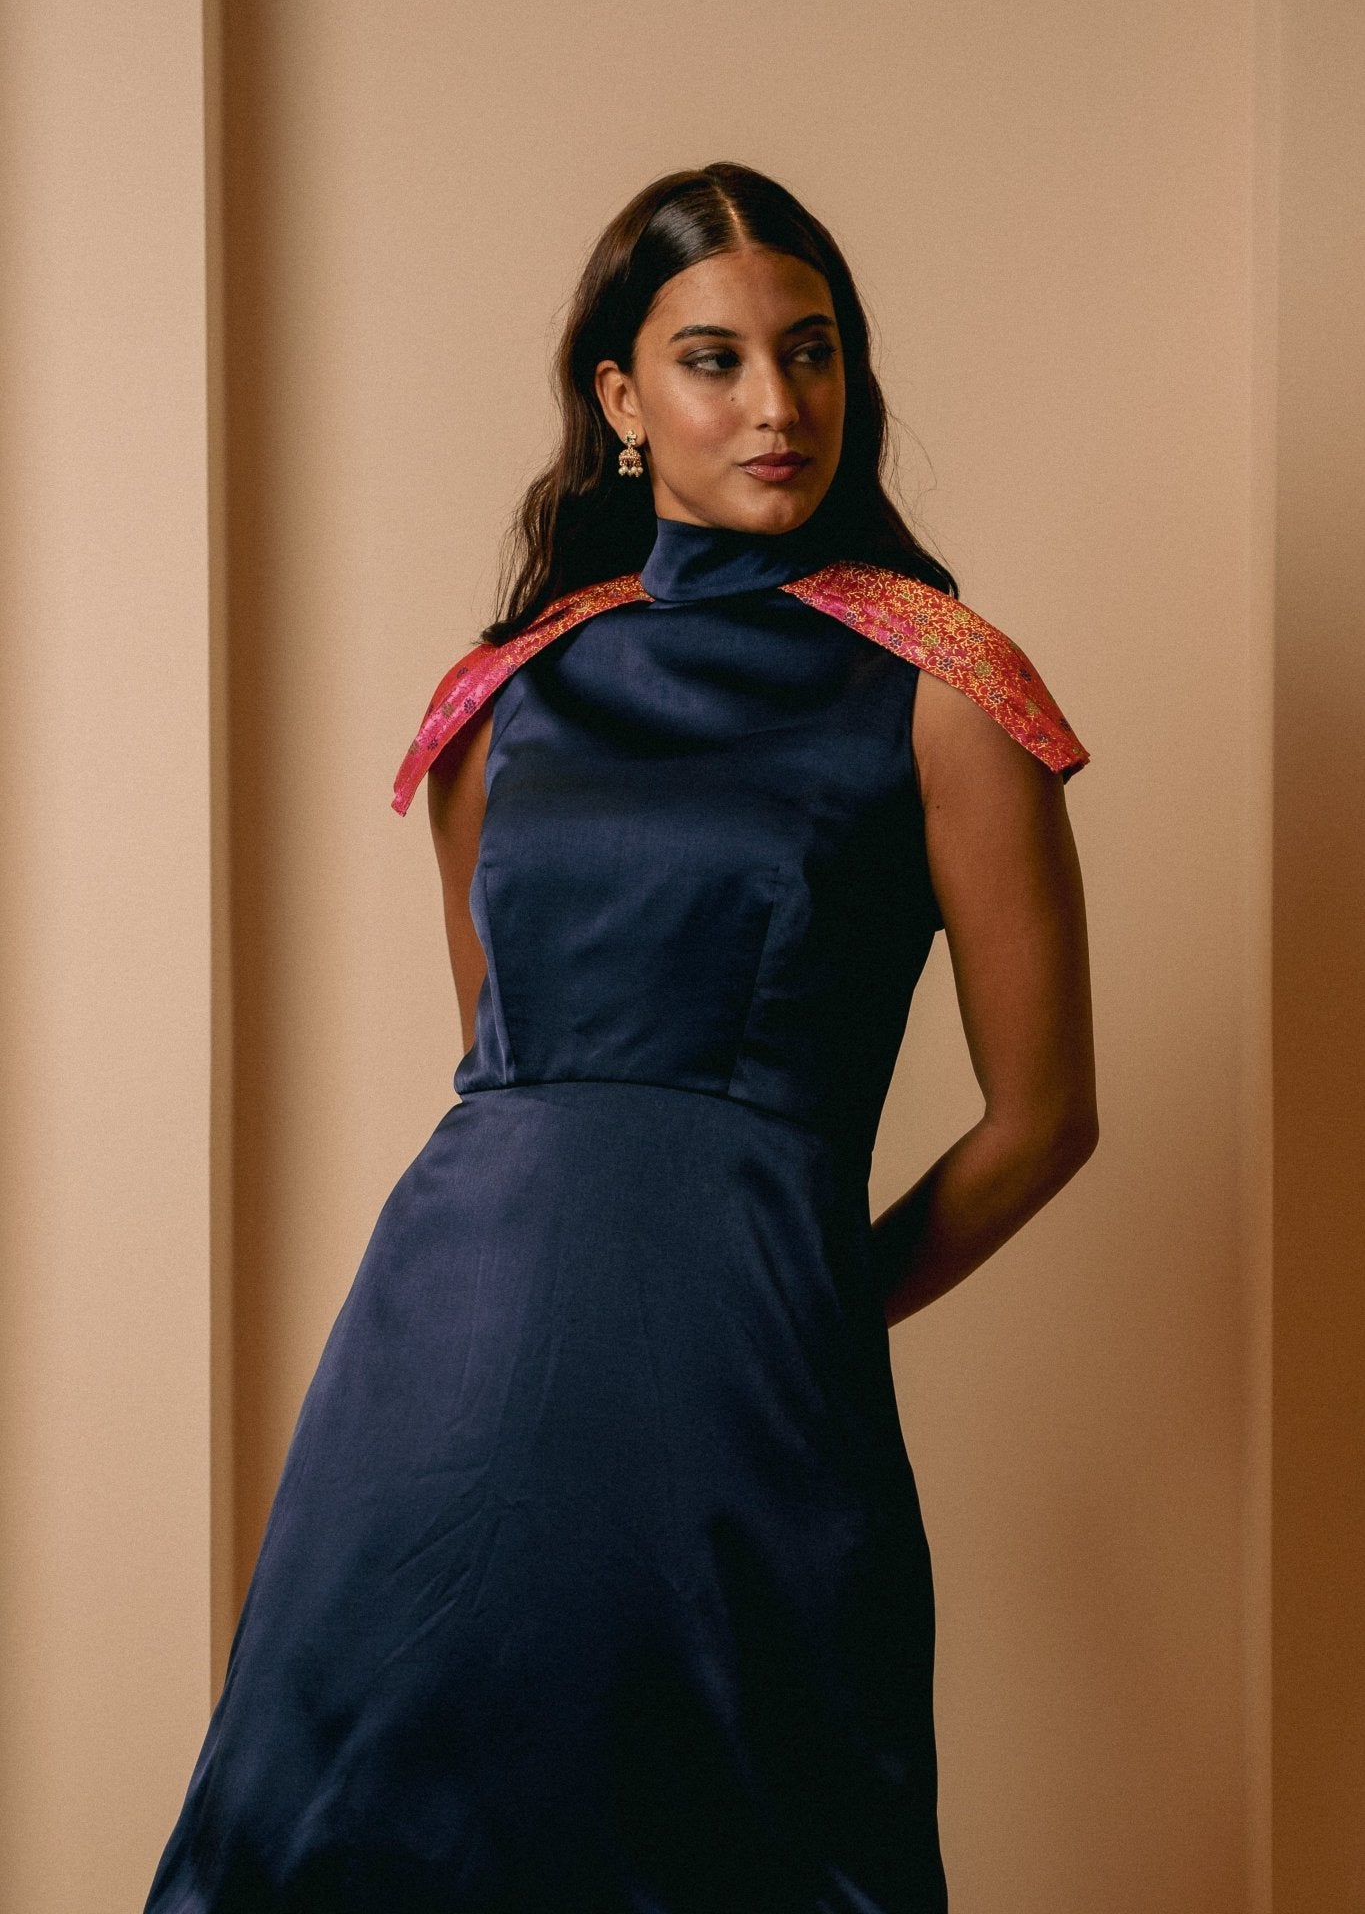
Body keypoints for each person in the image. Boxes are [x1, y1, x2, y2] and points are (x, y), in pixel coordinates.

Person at [146, 161, 1097, 1913]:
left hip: (747, 1374)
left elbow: (1043, 1117)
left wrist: (814, 1300)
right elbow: (506, 1075)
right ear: (621, 399)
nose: (776, 404)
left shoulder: (942, 688)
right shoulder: (506, 693)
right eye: (713, 360)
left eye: (810, 352)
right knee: (354, 1829)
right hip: (443, 1358)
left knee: (747, 1834)